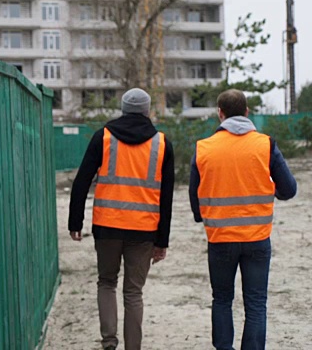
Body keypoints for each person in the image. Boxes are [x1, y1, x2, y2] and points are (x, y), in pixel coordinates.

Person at [189, 89, 297, 350]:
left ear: (220, 113)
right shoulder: (265, 144)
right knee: (256, 303)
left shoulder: (204, 148)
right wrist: (272, 191)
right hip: (257, 238)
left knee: (222, 299)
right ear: (247, 112)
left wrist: (201, 216)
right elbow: (289, 189)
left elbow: (195, 194)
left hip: (220, 239)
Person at [68, 88, 175, 350]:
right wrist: (162, 241)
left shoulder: (103, 137)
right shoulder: (162, 143)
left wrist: (75, 222)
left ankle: (108, 342)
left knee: (106, 282)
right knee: (133, 292)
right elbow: (167, 198)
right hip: (144, 230)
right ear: (147, 110)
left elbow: (81, 181)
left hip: (107, 226)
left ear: (123, 109)